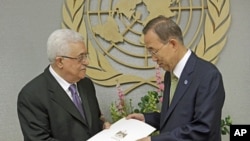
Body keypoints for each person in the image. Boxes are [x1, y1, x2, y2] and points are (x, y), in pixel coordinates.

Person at [127, 15, 225, 141]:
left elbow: (203, 129)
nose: (153, 58)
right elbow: (176, 117)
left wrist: (154, 140)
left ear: (173, 44)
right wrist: (146, 119)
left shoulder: (208, 75)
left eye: (153, 51)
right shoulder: (170, 74)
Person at [17, 29, 109, 141]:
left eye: (86, 55)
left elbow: (91, 124)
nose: (87, 62)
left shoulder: (86, 84)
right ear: (60, 62)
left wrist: (103, 127)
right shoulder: (31, 96)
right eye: (80, 57)